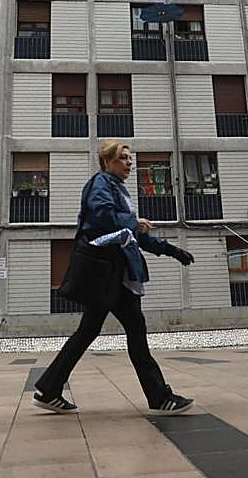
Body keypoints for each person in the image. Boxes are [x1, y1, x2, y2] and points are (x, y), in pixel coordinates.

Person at [32, 139, 196, 416]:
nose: (129, 163)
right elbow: (104, 218)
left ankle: (49, 389)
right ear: (107, 162)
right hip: (109, 275)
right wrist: (133, 222)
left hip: (113, 275)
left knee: (89, 332)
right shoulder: (101, 185)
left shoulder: (117, 189)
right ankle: (159, 398)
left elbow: (131, 237)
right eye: (123, 158)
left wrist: (170, 250)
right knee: (134, 332)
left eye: (130, 158)